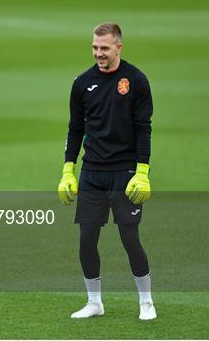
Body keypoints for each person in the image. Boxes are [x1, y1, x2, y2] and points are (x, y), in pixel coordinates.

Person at [57, 22, 156, 320]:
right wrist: (67, 170)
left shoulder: (136, 80)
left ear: (118, 47)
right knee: (86, 239)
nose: (99, 53)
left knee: (129, 237)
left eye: (104, 48)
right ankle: (94, 302)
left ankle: (146, 302)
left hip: (125, 171)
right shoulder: (82, 83)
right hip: (93, 171)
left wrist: (142, 172)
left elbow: (143, 128)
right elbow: (75, 130)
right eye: (95, 48)